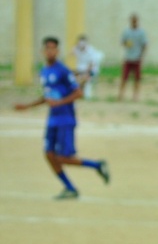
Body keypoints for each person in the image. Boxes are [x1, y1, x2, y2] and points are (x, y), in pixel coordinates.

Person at [14, 37, 110, 199]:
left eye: (53, 48)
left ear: (57, 51)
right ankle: (70, 188)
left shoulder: (63, 71)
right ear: (43, 51)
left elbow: (78, 93)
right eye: (47, 48)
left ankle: (97, 165)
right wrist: (27, 106)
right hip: (52, 119)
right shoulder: (44, 72)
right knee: (49, 155)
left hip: (66, 119)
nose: (50, 51)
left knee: (63, 157)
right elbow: (47, 96)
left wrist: (61, 102)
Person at [118, 13, 147, 102]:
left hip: (137, 58)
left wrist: (141, 55)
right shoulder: (127, 32)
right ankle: (121, 95)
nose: (134, 22)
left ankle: (135, 96)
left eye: (135, 20)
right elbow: (122, 42)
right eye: (132, 20)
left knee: (137, 79)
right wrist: (127, 44)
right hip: (128, 57)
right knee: (124, 77)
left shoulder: (141, 32)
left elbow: (144, 44)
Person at [72, 35, 103, 100]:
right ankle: (78, 94)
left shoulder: (90, 51)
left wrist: (85, 74)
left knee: (85, 78)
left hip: (91, 71)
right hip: (81, 70)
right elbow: (70, 55)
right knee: (74, 77)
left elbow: (91, 65)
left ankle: (86, 95)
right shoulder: (76, 49)